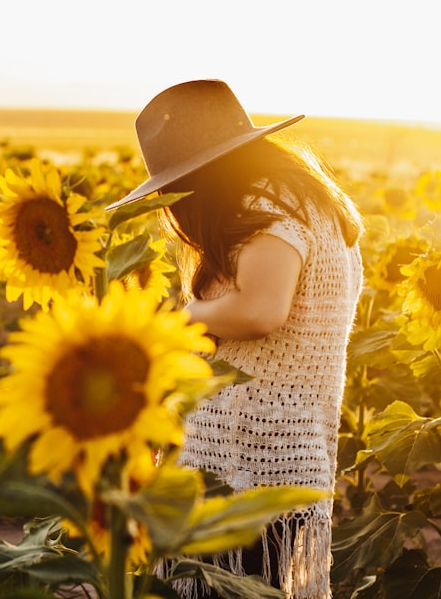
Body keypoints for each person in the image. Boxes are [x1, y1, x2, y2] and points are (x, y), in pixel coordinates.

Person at [106, 79, 363, 599]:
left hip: (249, 457)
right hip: (280, 451)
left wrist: (182, 317)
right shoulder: (304, 200)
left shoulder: (269, 203)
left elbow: (259, 310)